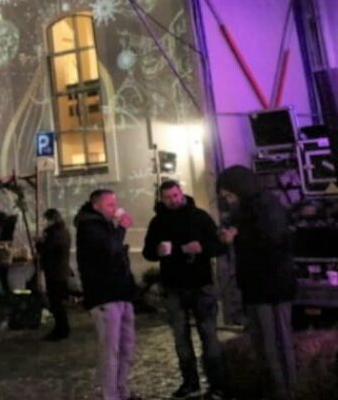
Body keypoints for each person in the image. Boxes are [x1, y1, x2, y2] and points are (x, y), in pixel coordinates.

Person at [217, 165, 297, 400]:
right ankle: (275, 388)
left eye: (229, 195)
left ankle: (283, 391)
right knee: (265, 344)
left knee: (274, 344)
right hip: (258, 286)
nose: (228, 200)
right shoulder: (249, 209)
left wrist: (237, 238)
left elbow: (271, 243)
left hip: (270, 287)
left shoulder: (264, 206)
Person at [142, 179, 227, 399]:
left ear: (182, 194)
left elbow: (219, 245)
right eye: (168, 197)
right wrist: (157, 251)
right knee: (181, 338)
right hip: (173, 286)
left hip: (201, 284)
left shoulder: (200, 217)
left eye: (175, 196)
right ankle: (190, 383)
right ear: (162, 199)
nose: (172, 200)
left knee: (208, 336)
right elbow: (148, 252)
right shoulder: (157, 222)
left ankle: (217, 385)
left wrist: (203, 248)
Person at [75, 190, 138, 400]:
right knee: (110, 348)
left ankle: (122, 389)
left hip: (121, 292)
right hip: (104, 296)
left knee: (126, 345)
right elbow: (110, 249)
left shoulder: (104, 225)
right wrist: (122, 227)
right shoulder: (88, 226)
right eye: (109, 204)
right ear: (96, 206)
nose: (114, 208)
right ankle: (110, 395)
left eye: (115, 203)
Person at [36, 208, 72, 341]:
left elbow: (47, 251)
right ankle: (62, 328)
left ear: (51, 219)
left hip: (55, 271)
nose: (44, 222)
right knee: (58, 302)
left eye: (46, 219)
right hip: (60, 270)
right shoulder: (63, 231)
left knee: (56, 303)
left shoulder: (54, 233)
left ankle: (61, 329)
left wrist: (39, 243)